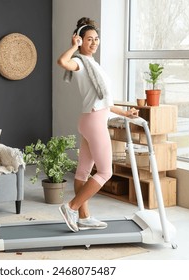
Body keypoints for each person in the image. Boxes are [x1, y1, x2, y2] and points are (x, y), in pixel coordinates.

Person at [57, 17, 138, 232]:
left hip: (90, 118)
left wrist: (126, 113)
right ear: (80, 41)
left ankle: (84, 217)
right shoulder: (81, 63)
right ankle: (71, 207)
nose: (93, 42)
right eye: (89, 39)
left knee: (82, 174)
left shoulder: (93, 64)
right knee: (105, 172)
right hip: (94, 121)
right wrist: (73, 47)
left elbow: (105, 102)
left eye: (96, 39)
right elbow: (62, 62)